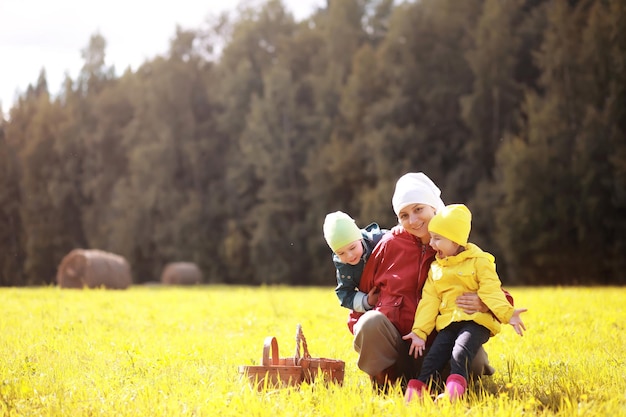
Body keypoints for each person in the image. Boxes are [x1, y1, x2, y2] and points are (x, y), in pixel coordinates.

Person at [348, 172, 514, 390]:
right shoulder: (388, 246)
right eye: (404, 215)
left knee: (475, 364)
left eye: (418, 209)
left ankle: (444, 382)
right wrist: (369, 337)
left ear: (434, 207)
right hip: (397, 351)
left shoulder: (456, 247)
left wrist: (484, 303)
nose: (413, 220)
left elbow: (497, 291)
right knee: (369, 323)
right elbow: (359, 307)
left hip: (442, 346)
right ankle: (387, 384)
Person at [402, 204, 527, 402]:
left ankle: (453, 394)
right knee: (432, 358)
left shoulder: (479, 261)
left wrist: (508, 313)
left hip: (475, 323)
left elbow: (491, 290)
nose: (432, 244)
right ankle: (419, 392)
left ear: (455, 240)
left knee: (460, 354)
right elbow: (429, 302)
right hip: (449, 324)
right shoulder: (436, 268)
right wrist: (419, 332)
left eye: (438, 238)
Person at [323, 211, 387, 312]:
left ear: (360, 238)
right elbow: (344, 293)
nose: (349, 256)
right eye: (341, 253)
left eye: (352, 248)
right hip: (373, 306)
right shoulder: (343, 265)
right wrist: (366, 301)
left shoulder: (381, 240)